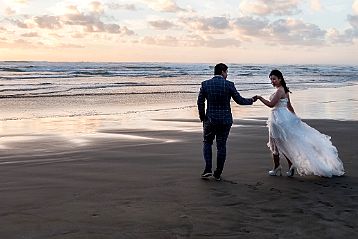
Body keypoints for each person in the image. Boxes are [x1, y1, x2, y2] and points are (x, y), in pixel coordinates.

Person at [257, 69, 344, 177]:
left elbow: (271, 104)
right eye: (271, 79)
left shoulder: (280, 91)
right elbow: (289, 106)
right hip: (283, 117)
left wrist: (260, 98)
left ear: (280, 79)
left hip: (277, 119)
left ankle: (277, 168)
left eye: (274, 79)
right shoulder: (284, 90)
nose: (272, 81)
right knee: (283, 143)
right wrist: (295, 118)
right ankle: (288, 166)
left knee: (275, 144)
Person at [197, 63, 257, 181]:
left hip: (210, 119)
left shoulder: (205, 84)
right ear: (223, 71)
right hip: (225, 120)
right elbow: (239, 100)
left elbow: (200, 102)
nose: (227, 74)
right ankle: (218, 173)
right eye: (226, 72)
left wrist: (202, 117)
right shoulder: (229, 85)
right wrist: (251, 100)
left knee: (207, 143)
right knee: (221, 146)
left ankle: (208, 169)